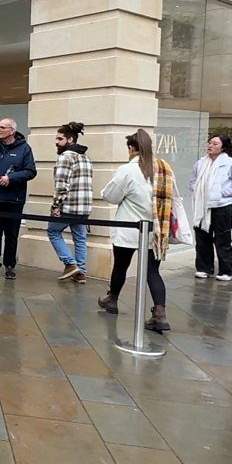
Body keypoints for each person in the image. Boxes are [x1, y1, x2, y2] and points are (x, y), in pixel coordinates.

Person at [98, 129, 176, 332]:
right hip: (155, 229)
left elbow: (111, 195)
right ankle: (160, 313)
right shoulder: (164, 168)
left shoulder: (129, 170)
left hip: (129, 228)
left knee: (121, 266)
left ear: (132, 148)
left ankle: (112, 299)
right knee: (153, 271)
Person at [0, 118, 37, 279]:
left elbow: (31, 171)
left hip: (14, 200)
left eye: (2, 127)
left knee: (11, 235)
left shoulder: (24, 149)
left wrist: (11, 178)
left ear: (12, 130)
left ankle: (10, 265)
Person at [190, 134, 232, 281]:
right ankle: (204, 268)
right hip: (202, 205)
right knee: (202, 238)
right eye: (209, 142)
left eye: (214, 143)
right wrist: (196, 189)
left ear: (223, 147)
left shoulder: (231, 163)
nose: (210, 145)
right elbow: (193, 180)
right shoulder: (200, 163)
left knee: (222, 239)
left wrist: (221, 193)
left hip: (222, 206)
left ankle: (227, 271)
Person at [48, 122, 93, 284]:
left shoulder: (65, 157)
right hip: (84, 207)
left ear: (70, 140)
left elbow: (61, 185)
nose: (56, 142)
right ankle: (80, 272)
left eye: (60, 139)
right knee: (80, 238)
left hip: (68, 206)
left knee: (53, 231)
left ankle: (70, 263)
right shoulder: (85, 158)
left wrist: (56, 206)